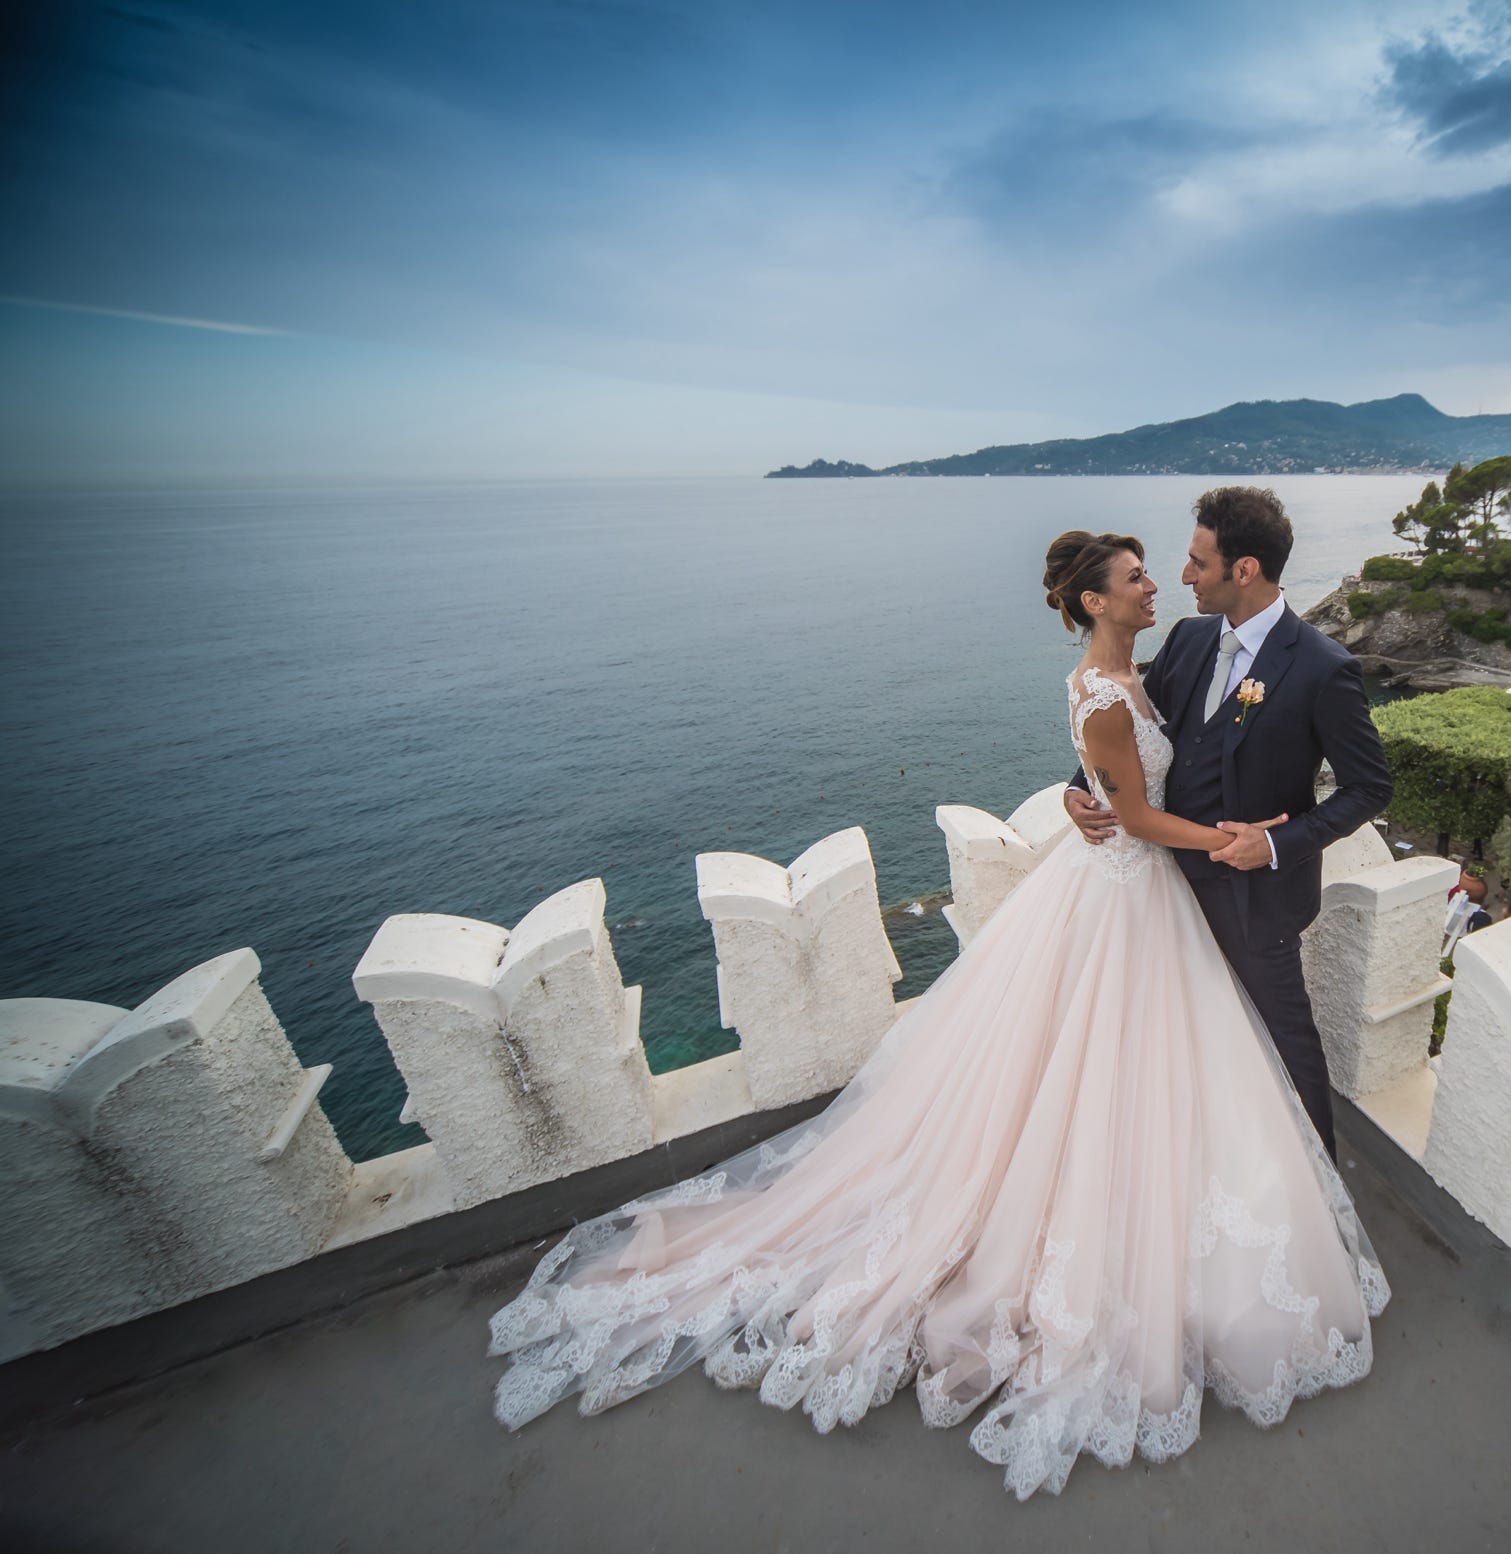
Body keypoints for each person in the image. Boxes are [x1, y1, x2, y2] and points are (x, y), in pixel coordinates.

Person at [486, 528, 1388, 1501]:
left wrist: (1112, 796)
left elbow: (1144, 767)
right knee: (1100, 1069)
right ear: (1094, 602)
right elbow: (1128, 803)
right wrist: (1199, 829)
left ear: (1240, 568)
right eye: (1137, 578)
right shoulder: (1115, 683)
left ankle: (1254, 1203)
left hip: (1153, 891)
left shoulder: (1160, 667)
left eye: (1180, 566)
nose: (1163, 582)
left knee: (1163, 1067)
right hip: (1132, 892)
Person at [1064, 487, 1396, 1159]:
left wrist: (1276, 844)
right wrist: (1077, 787)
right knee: (1189, 1037)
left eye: (1197, 563)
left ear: (1244, 570)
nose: (1182, 578)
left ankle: (1322, 1185)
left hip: (1257, 902)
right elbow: (1134, 725)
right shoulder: (1188, 639)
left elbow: (1370, 787)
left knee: (1286, 1038)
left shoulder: (1323, 669)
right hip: (1163, 889)